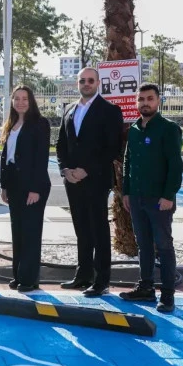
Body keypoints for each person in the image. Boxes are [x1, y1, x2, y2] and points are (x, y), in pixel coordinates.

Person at [56, 67, 123, 297]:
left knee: (98, 230)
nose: (86, 84)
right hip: (72, 181)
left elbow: (112, 148)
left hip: (96, 180)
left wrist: (86, 170)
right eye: (82, 80)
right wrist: (65, 169)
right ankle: (83, 274)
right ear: (77, 83)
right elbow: (61, 145)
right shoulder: (69, 110)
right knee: (81, 229)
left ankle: (101, 280)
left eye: (90, 80)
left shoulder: (110, 111)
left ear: (98, 83)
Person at [119, 83, 183, 313]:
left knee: (164, 246)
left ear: (158, 101)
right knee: (143, 245)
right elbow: (128, 162)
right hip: (136, 198)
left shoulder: (168, 129)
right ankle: (145, 287)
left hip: (159, 200)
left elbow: (175, 166)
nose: (145, 103)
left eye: (149, 99)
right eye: (141, 99)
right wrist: (126, 192)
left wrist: (168, 196)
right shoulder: (135, 129)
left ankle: (167, 295)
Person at [0, 86, 51, 292]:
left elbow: (41, 157)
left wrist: (35, 189)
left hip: (32, 186)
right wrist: (4, 186)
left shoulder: (40, 124)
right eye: (17, 98)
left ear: (31, 101)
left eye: (25, 99)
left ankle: (29, 279)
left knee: (30, 232)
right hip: (14, 184)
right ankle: (18, 275)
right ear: (12, 101)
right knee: (18, 232)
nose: (20, 102)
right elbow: (7, 158)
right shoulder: (11, 124)